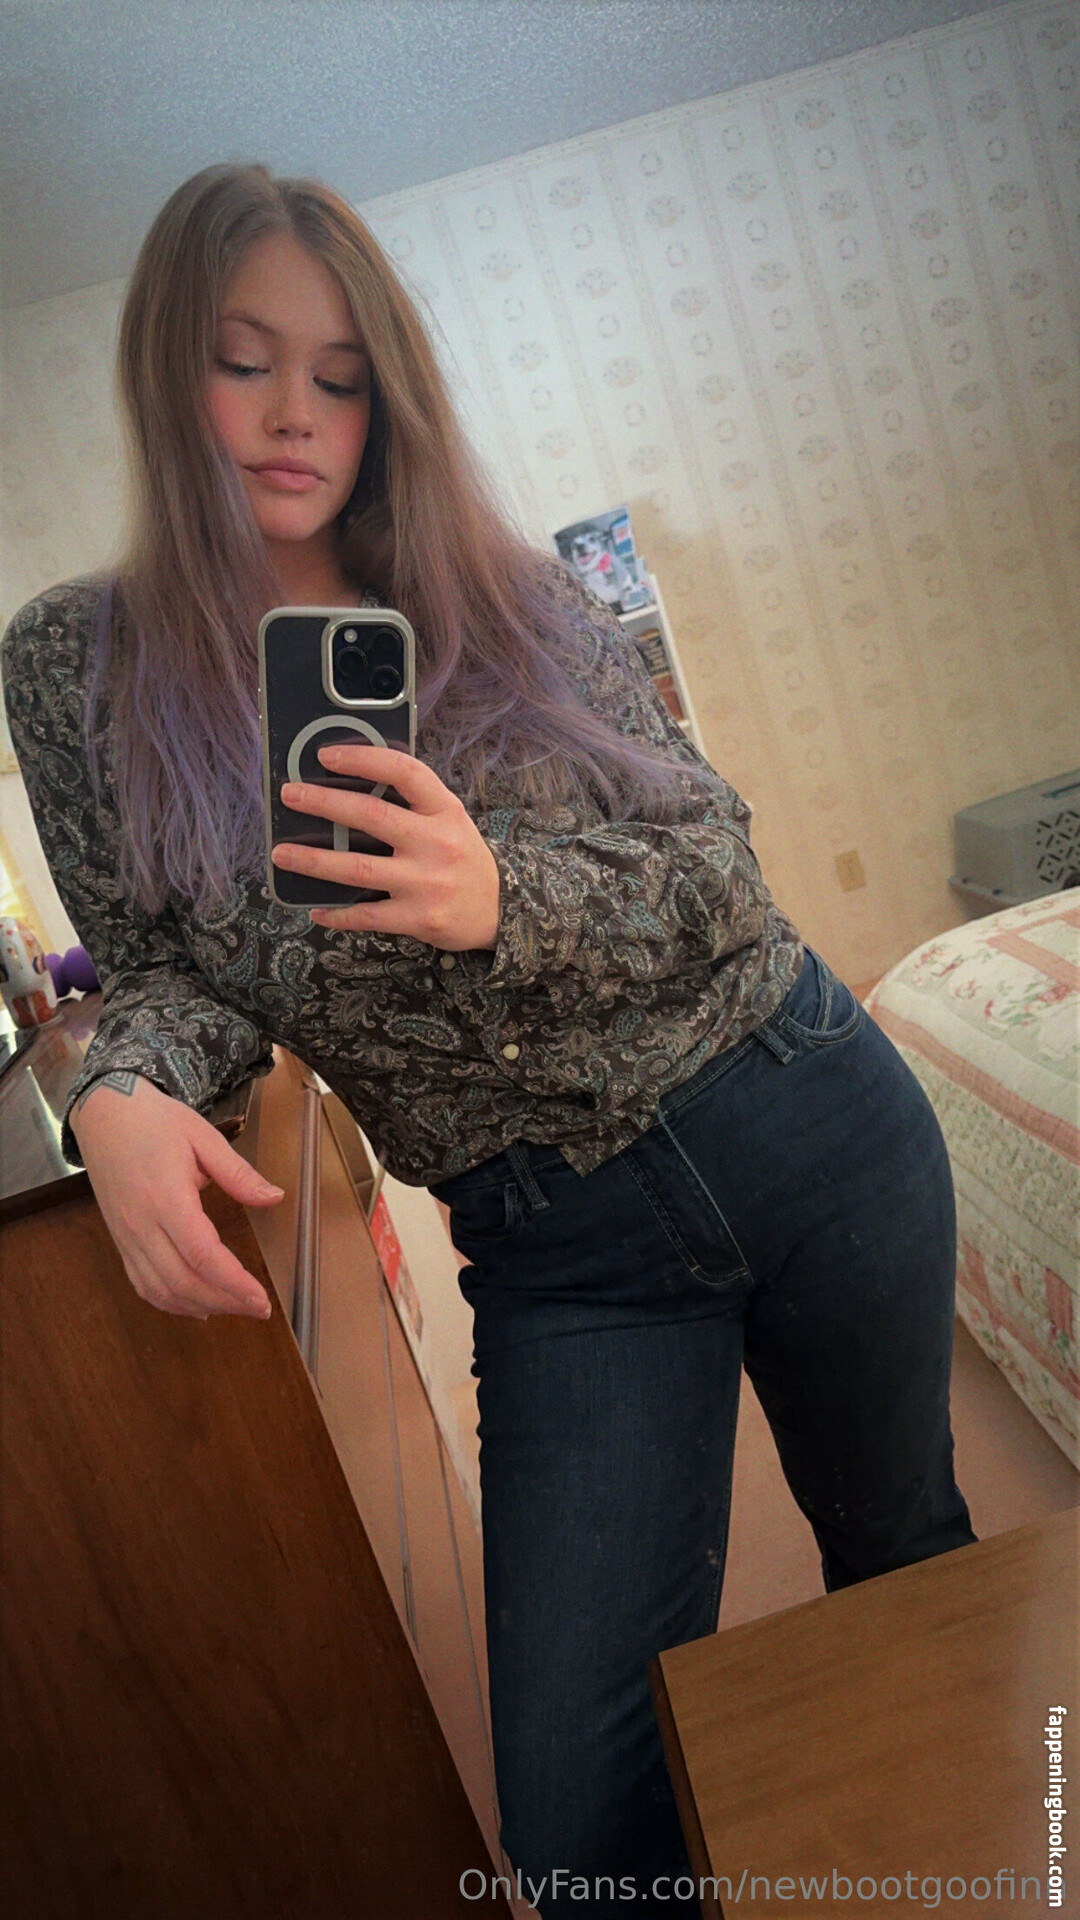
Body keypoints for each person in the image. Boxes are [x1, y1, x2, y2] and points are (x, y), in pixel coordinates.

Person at [1, 162, 977, 1917]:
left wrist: (497, 896)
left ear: (387, 393)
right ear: (165, 370)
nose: (294, 415)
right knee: (580, 1825)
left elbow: (719, 869)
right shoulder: (76, 668)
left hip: (804, 1113)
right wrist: (121, 1085)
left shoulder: (513, 594)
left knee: (909, 1563)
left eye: (339, 373)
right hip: (561, 1246)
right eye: (243, 361)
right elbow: (158, 970)